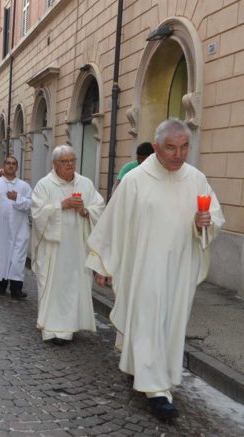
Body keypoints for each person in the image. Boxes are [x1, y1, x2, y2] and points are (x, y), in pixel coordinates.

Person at [86, 119, 225, 419]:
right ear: (157, 147)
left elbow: (213, 215)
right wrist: (104, 264)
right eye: (171, 148)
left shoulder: (196, 179)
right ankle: (157, 391)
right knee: (148, 321)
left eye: (184, 147)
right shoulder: (136, 180)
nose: (179, 155)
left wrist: (203, 223)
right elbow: (114, 223)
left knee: (170, 325)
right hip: (144, 268)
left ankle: (147, 372)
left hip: (180, 269)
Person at [31, 145, 105, 345]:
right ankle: (51, 329)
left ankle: (70, 327)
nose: (70, 165)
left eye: (72, 160)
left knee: (74, 287)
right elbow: (37, 213)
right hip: (53, 249)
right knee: (53, 287)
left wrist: (86, 211)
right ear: (55, 164)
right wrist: (61, 206)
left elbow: (99, 207)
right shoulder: (44, 185)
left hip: (77, 247)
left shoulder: (85, 184)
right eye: (65, 161)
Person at [0, 156, 32, 299]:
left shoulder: (24, 186)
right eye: (8, 163)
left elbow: (31, 205)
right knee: (0, 255)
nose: (11, 166)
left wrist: (17, 198)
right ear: (4, 166)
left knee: (17, 259)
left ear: (17, 167)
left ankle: (16, 289)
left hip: (19, 229)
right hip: (0, 229)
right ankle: (1, 285)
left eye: (13, 164)